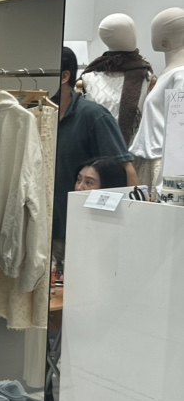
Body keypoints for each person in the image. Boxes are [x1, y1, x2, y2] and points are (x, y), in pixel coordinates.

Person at [53, 46, 139, 259]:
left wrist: (132, 228)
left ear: (64, 77)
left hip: (84, 231)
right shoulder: (39, 114)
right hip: (45, 228)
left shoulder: (94, 117)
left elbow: (126, 170)